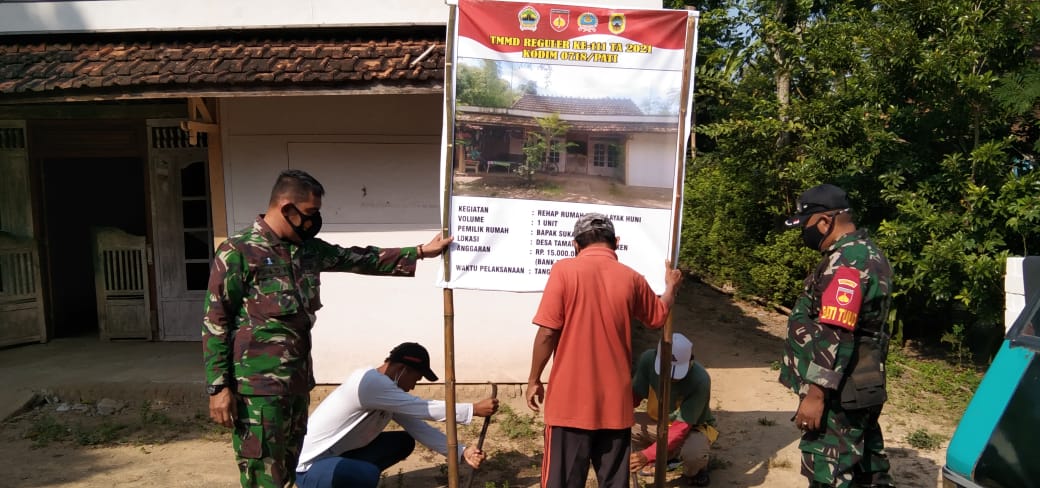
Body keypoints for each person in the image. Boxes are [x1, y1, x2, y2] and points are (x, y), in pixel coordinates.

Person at [202, 169, 453, 488]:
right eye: (310, 213)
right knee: (262, 473)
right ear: (286, 208)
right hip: (257, 391)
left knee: (288, 469)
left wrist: (418, 251)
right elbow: (215, 322)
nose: (314, 221)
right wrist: (218, 388)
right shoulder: (238, 252)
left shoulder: (307, 250)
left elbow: (360, 258)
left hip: (296, 385)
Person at [526, 212, 683, 488]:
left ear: (576, 245)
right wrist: (670, 287)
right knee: (614, 483)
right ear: (616, 243)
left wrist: (533, 379)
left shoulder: (563, 271)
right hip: (615, 406)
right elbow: (658, 316)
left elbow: (548, 332)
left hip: (568, 405)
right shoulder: (631, 278)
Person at [779, 183, 895, 488]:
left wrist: (816, 394)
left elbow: (836, 330)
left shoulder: (848, 261)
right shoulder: (865, 253)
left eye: (805, 225)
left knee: (829, 469)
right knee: (865, 465)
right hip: (860, 381)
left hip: (838, 391)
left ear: (825, 221)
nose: (803, 233)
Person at [294, 342, 499, 488]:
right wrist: (472, 409)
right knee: (367, 474)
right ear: (402, 369)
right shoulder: (370, 383)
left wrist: (462, 452)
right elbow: (424, 408)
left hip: (336, 454)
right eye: (415, 379)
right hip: (308, 468)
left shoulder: (386, 391)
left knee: (403, 441)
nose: (412, 387)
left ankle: (352, 476)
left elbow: (420, 428)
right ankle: (350, 478)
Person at [629, 332, 717, 487]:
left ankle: (695, 470)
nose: (671, 378)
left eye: (676, 374)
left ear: (691, 361)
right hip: (658, 423)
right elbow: (634, 396)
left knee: (694, 454)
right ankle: (665, 457)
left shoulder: (700, 380)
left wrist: (646, 455)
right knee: (621, 426)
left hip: (691, 430)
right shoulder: (648, 360)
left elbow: (681, 428)